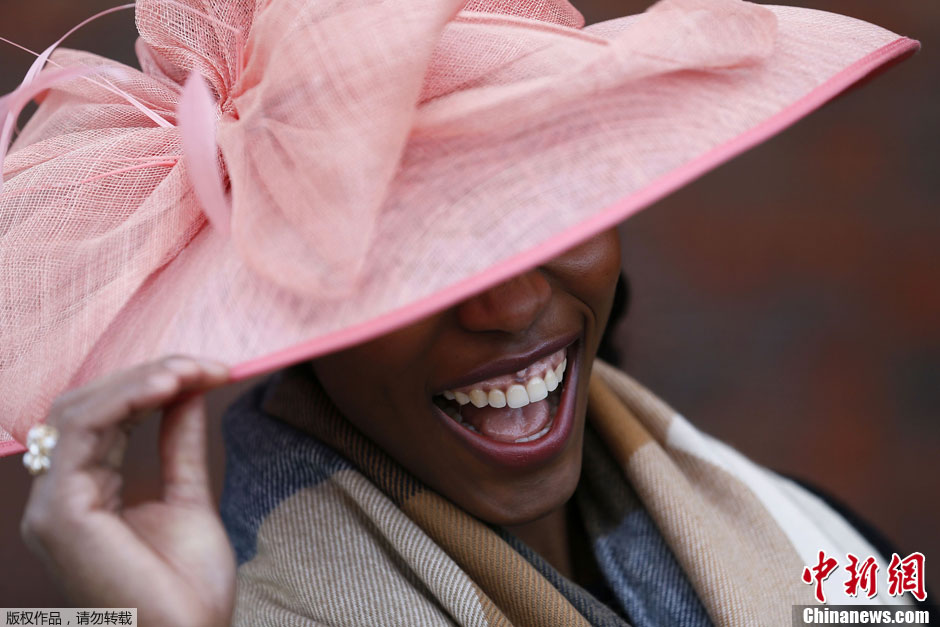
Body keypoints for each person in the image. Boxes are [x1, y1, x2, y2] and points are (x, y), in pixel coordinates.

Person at [1, 0, 925, 625]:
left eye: (546, 205)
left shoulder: (822, 546)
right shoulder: (194, 605)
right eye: (416, 261)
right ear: (285, 307)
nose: (516, 297)